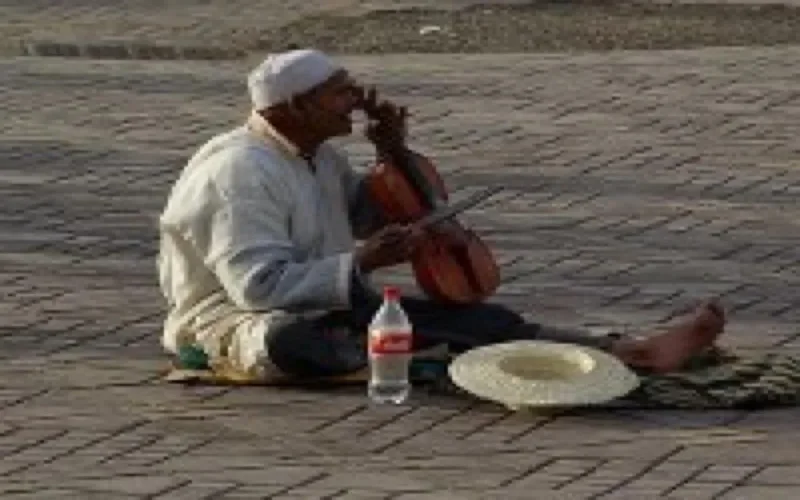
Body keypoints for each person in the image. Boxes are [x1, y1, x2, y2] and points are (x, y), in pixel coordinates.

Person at [157, 48, 727, 380]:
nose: (355, 100)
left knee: (463, 319)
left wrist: (392, 153)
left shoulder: (316, 154)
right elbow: (257, 287)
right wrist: (363, 260)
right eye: (339, 93)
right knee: (295, 341)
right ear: (295, 107)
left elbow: (364, 214)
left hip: (325, 301)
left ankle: (622, 350)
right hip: (234, 317)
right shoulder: (237, 172)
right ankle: (413, 356)